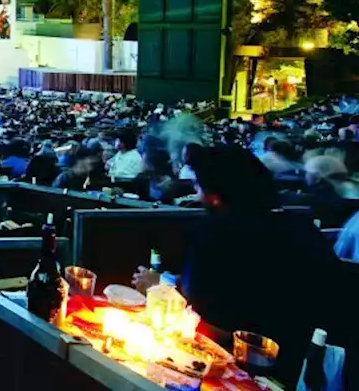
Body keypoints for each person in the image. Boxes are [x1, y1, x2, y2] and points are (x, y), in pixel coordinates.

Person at [132, 148, 352, 380]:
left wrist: (159, 289)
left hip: (258, 374)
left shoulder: (215, 234)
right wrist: (174, 281)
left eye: (198, 187)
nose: (196, 196)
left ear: (216, 197)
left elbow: (211, 329)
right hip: (317, 370)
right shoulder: (302, 228)